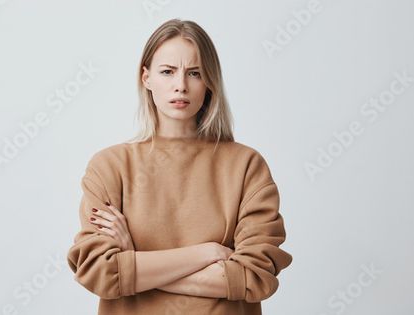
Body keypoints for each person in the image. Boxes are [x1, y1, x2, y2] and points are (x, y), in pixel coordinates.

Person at [67, 18, 292, 315]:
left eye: (194, 73)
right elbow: (99, 272)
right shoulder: (109, 167)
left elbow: (253, 277)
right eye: (167, 72)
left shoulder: (246, 166)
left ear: (210, 80)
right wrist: (207, 253)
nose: (180, 86)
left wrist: (134, 261)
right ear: (146, 78)